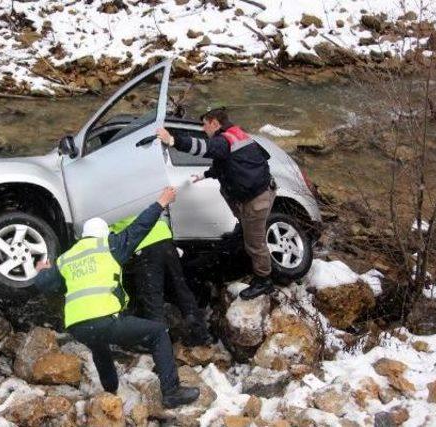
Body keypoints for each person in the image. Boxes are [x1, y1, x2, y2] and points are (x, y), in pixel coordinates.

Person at [33, 187, 200, 409]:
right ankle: (171, 391)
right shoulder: (110, 246)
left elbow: (46, 285)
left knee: (99, 345)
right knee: (158, 332)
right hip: (105, 319)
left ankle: (110, 391)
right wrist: (161, 202)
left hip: (77, 326)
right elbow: (140, 226)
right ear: (105, 233)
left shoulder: (67, 258)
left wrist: (42, 270)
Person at [156, 107, 276, 300]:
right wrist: (205, 174)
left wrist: (172, 140)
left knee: (255, 243)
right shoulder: (235, 134)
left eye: (205, 124)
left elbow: (204, 148)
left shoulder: (222, 140)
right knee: (247, 231)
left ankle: (264, 280)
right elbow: (225, 162)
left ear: (215, 123)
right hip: (254, 193)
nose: (203, 129)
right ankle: (245, 234)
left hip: (256, 199)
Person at [110, 215, 213, 346]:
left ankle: (160, 344)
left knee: (152, 298)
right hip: (164, 239)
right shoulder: (134, 196)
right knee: (180, 288)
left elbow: (108, 238)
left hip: (144, 246)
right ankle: (200, 333)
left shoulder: (109, 208)